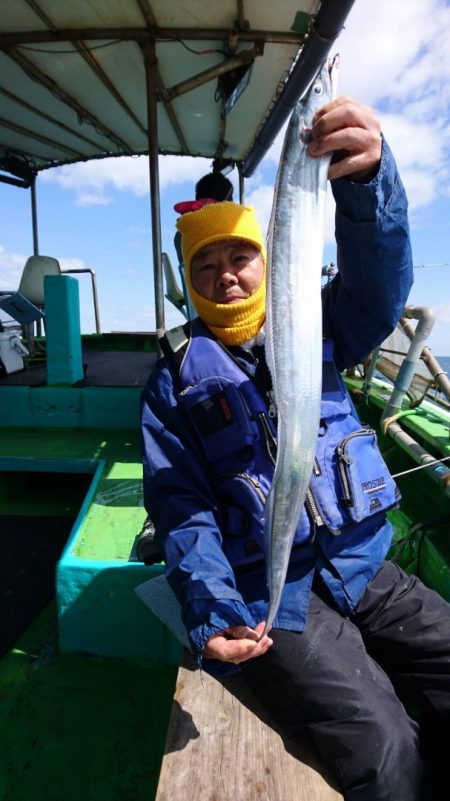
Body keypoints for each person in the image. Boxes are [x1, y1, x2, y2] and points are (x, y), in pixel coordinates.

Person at [141, 96, 450, 801]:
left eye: (241, 256)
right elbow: (182, 506)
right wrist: (214, 607)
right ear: (188, 281)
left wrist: (367, 184)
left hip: (367, 565)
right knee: (385, 747)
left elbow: (379, 282)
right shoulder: (173, 382)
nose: (226, 274)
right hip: (273, 595)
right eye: (205, 264)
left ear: (269, 259)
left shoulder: (320, 321)